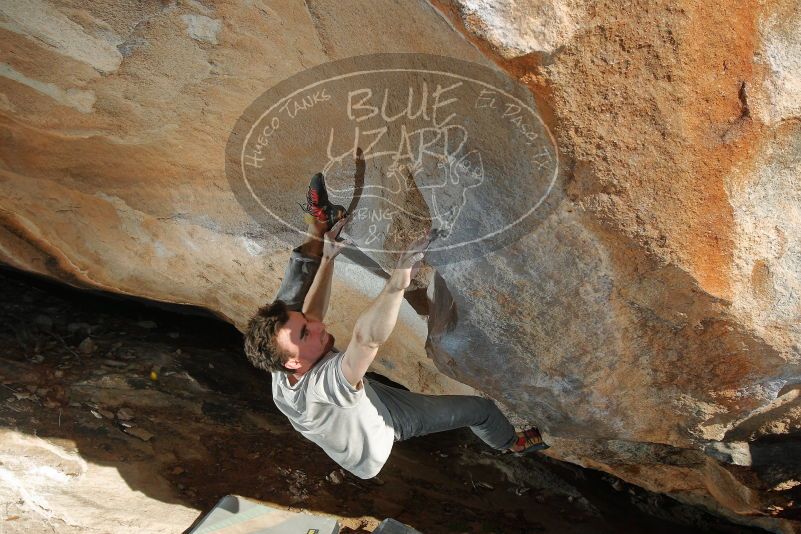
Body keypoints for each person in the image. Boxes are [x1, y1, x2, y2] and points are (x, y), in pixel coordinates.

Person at [244, 172, 549, 479]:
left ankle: (319, 226)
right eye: (306, 333)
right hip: (381, 429)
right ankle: (512, 443)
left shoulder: (283, 359)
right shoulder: (326, 386)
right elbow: (366, 340)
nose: (317, 326)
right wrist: (399, 278)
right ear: (295, 361)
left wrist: (328, 258)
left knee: (286, 308)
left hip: (350, 401)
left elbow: (312, 314)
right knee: (480, 411)